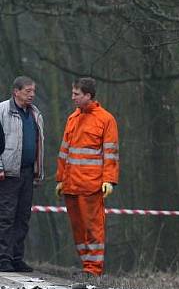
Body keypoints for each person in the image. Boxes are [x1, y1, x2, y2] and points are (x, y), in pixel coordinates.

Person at [55, 77, 119, 276]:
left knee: (93, 228)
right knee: (78, 229)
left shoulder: (106, 119)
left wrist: (109, 180)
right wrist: (60, 179)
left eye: (76, 94)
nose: (72, 97)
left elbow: (111, 152)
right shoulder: (73, 118)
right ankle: (86, 266)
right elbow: (64, 152)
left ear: (88, 96)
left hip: (91, 185)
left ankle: (93, 269)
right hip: (71, 185)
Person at [0, 76, 45, 272]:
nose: (32, 95)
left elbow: (39, 144)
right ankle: (3, 258)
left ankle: (17, 257)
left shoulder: (35, 114)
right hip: (8, 173)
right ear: (16, 91)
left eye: (33, 91)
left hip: (28, 172)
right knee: (6, 216)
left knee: (23, 217)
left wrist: (38, 171)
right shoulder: (2, 110)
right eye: (28, 91)